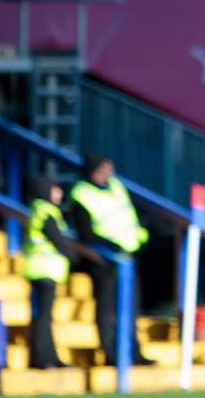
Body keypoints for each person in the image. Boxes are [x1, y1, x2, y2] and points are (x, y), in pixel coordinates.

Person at [67, 155, 155, 368]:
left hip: (127, 255)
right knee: (107, 309)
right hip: (103, 259)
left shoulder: (116, 187)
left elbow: (128, 217)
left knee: (132, 307)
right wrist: (110, 246)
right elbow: (85, 233)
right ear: (92, 170)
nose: (108, 172)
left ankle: (133, 351)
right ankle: (110, 353)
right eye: (103, 168)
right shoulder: (82, 193)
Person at [23, 178, 83, 370]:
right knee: (44, 316)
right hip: (44, 270)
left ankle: (49, 356)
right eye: (56, 190)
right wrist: (75, 259)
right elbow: (58, 240)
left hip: (41, 269)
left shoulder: (39, 210)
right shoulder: (46, 212)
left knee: (44, 316)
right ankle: (43, 358)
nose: (59, 194)